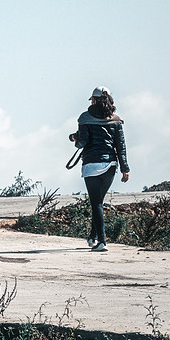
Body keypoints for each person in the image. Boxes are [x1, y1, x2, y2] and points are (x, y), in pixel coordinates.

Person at [68, 86, 130, 252]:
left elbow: (83, 142)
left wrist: (75, 138)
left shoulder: (85, 117)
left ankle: (102, 241)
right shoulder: (116, 120)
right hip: (110, 165)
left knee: (96, 203)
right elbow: (120, 146)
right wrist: (125, 169)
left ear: (93, 100)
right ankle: (92, 237)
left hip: (92, 165)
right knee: (99, 203)